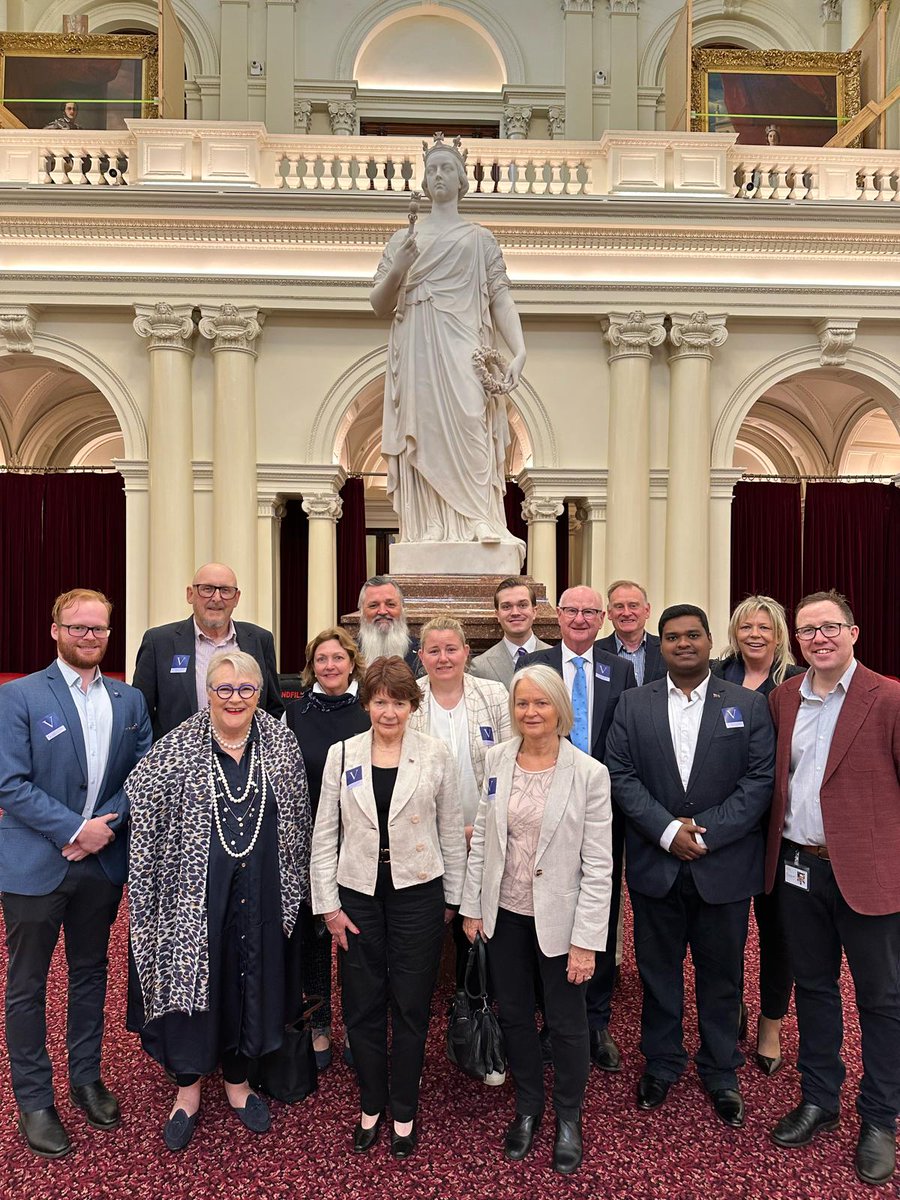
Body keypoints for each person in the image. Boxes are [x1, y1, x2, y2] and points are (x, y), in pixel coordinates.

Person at [125, 651, 311, 1152]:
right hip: (192, 903)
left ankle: (237, 1081)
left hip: (261, 895)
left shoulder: (280, 743)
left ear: (259, 694)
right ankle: (187, 1091)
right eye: (223, 689)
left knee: (247, 980)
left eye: (246, 689)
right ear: (207, 693)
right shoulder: (174, 750)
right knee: (197, 982)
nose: (235, 698)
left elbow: (296, 823)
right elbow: (142, 810)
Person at [605, 604, 775, 1128]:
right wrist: (666, 831)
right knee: (658, 974)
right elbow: (620, 773)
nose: (683, 644)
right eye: (673, 637)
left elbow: (760, 780)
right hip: (657, 865)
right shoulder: (633, 704)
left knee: (722, 975)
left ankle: (722, 1068)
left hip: (722, 867)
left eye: (693, 636)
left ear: (708, 642)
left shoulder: (746, 704)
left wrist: (707, 835)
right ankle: (662, 1061)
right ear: (662, 644)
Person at [0, 588, 151, 1159]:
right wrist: (73, 830)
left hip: (103, 861)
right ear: (56, 630)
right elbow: (8, 783)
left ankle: (85, 1078)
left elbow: (142, 774)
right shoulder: (18, 697)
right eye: (79, 628)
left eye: (99, 629)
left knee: (91, 975)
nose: (90, 637)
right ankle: (35, 1101)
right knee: (28, 986)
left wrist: (104, 828)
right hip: (35, 862)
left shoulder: (130, 700)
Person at [765, 590, 900, 1187]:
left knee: (881, 1000)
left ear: (854, 632)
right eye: (807, 630)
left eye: (829, 627)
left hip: (869, 873)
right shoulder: (783, 698)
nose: (818, 638)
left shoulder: (889, 698)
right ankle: (820, 1098)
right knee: (814, 989)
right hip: (799, 870)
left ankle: (879, 1119)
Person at [310, 656, 466, 1160]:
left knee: (412, 1004)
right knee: (362, 1002)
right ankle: (371, 1103)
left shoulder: (436, 754)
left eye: (399, 701)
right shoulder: (342, 754)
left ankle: (404, 1107)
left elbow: (450, 832)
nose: (389, 711)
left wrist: (452, 900)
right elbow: (325, 836)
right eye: (380, 701)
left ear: (412, 705)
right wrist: (328, 907)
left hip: (418, 892)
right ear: (367, 703)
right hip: (356, 893)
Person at [460, 664, 613, 1174]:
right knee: (516, 1016)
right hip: (504, 914)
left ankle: (569, 1116)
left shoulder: (590, 773)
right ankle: (529, 1106)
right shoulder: (498, 758)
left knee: (568, 1025)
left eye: (541, 703)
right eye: (522, 703)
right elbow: (483, 835)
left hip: (563, 921)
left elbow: (599, 867)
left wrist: (587, 940)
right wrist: (472, 907)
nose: (530, 712)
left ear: (559, 710)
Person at [370, 133, 525, 558]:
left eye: (447, 169)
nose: (438, 175)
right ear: (424, 182)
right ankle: (431, 524)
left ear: (461, 181)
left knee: (472, 420)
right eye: (432, 169)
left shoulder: (480, 239)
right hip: (417, 343)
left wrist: (520, 349)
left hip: (464, 345)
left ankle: (480, 515)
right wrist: (399, 266)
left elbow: (500, 296)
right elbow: (379, 303)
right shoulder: (404, 240)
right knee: (423, 428)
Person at [520, 585, 635, 1073]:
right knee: (543, 909)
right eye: (573, 611)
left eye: (591, 612)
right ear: (558, 616)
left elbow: (626, 738)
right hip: (543, 806)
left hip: (602, 806)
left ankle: (596, 1018)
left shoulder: (621, 667)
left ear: (603, 617)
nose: (582, 619)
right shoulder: (536, 664)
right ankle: (549, 1015)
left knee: (599, 910)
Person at [712, 594, 804, 1074]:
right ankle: (731, 1008)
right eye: (746, 627)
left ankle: (771, 1021)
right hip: (725, 826)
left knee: (777, 930)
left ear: (778, 634)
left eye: (764, 628)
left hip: (777, 828)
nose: (754, 635)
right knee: (725, 932)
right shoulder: (716, 674)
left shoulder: (795, 682)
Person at [283, 626, 370, 1068]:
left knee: (355, 936)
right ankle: (318, 1025)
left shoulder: (370, 710)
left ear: (351, 662)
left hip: (358, 840)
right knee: (312, 938)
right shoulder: (294, 714)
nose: (330, 666)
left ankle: (359, 1026)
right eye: (322, 660)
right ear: (311, 667)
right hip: (306, 840)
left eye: (338, 658)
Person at [408, 616, 511, 990]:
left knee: (484, 922)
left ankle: (482, 1001)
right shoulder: (409, 700)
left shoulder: (495, 695)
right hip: (427, 836)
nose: (444, 658)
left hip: (486, 832)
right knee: (438, 920)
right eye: (433, 650)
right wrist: (446, 832)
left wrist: (477, 829)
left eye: (451, 649)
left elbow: (510, 764)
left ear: (467, 652)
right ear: (421, 656)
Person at [132, 562, 283, 740]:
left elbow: (273, 709)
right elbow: (140, 713)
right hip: (179, 761)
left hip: (245, 760)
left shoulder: (260, 639)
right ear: (190, 594)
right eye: (207, 589)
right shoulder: (159, 642)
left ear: (236, 597)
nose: (217, 598)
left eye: (225, 590)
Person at [470, 577, 551, 688]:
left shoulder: (557, 657)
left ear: (534, 611)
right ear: (497, 615)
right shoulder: (480, 666)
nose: (515, 613)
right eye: (506, 607)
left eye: (522, 605)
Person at [596, 579, 665, 686]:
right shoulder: (595, 651)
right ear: (609, 613)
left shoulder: (665, 648)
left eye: (633, 605)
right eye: (619, 606)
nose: (627, 613)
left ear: (647, 611)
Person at [357, 575, 423, 678]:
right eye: (373, 605)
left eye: (391, 604)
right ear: (361, 612)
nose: (382, 611)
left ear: (402, 609)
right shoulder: (349, 655)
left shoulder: (420, 657)